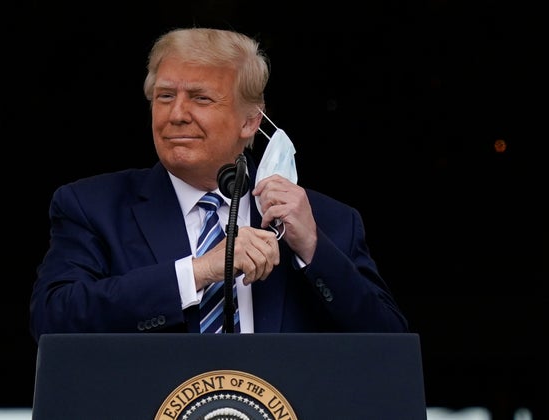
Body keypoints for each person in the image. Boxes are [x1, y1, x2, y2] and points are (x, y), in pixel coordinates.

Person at [29, 27, 409, 343]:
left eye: (201, 98)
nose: (176, 115)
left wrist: (313, 248)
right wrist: (201, 270)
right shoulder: (91, 206)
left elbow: (391, 347)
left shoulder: (327, 220)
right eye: (164, 96)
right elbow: (53, 319)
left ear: (249, 122)